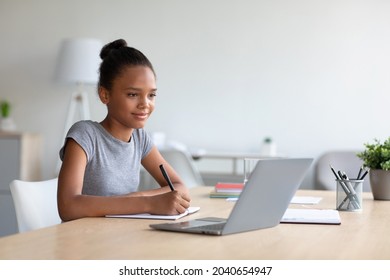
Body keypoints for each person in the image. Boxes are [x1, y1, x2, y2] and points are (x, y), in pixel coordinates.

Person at [57, 39, 191, 222]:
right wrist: (150, 203)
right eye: (133, 94)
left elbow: (180, 187)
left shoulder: (139, 138)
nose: (145, 104)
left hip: (123, 236)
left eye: (151, 95)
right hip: (88, 241)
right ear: (105, 95)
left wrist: (139, 199)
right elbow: (68, 206)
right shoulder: (84, 136)